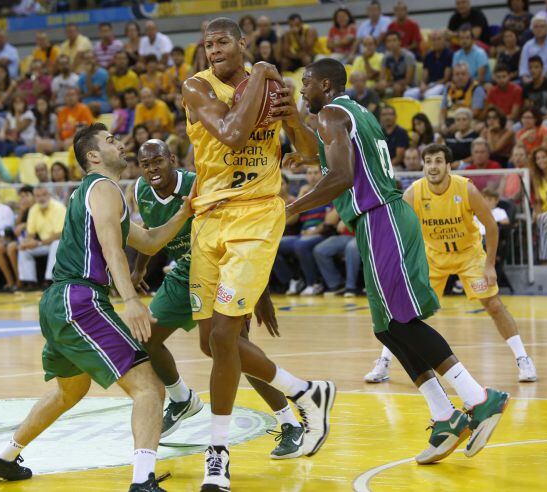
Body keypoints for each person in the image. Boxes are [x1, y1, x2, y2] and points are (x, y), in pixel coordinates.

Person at [289, 58, 510, 466]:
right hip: (376, 221)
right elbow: (323, 154)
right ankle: (445, 415)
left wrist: (292, 208)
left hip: (382, 218)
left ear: (324, 83)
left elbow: (339, 177)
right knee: (387, 328)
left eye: (304, 83)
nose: (302, 91)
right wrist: (296, 135)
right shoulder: (350, 114)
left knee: (403, 321)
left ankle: (480, 397)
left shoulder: (335, 113)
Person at [0, 123, 195, 490]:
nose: (121, 144)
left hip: (57, 302)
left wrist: (185, 211)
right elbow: (113, 248)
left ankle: (4, 456)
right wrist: (130, 300)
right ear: (93, 156)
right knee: (149, 388)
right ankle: (143, 481)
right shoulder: (104, 187)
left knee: (70, 391)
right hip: (80, 299)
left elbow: (147, 242)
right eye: (111, 140)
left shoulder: (97, 193)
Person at [181, 18, 333, 490]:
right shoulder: (195, 86)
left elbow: (309, 153)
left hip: (257, 214)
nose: (213, 51)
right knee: (210, 343)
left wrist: (291, 118)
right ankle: (305, 392)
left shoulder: (269, 85)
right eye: (208, 45)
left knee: (226, 335)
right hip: (208, 217)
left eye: (223, 42)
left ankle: (218, 453)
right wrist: (264, 74)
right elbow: (229, 132)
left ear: (242, 44)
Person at [130, 139, 306, 459]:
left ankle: (290, 421)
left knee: (228, 350)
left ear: (172, 159)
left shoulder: (198, 185)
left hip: (223, 267)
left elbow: (240, 235)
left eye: (158, 161)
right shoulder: (141, 190)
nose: (152, 169)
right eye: (146, 164)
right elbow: (148, 230)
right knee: (144, 337)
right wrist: (138, 269)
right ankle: (182, 398)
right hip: (184, 274)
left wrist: (261, 293)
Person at [364, 144, 537, 384]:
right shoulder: (414, 193)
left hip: (468, 255)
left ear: (448, 165)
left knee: (494, 304)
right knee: (405, 312)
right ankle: (384, 362)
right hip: (433, 258)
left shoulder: (466, 189)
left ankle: (523, 359)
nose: (432, 166)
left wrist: (489, 266)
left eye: (437, 161)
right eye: (428, 162)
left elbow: (492, 226)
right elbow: (398, 231)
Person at [272, 166, 331, 296]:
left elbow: (329, 221)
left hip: (321, 234)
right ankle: (294, 279)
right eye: (309, 173)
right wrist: (300, 195)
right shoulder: (304, 195)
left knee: (301, 245)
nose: (313, 176)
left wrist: (315, 231)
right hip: (302, 234)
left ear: (322, 175)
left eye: (316, 172)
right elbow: (295, 216)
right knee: (272, 246)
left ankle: (314, 283)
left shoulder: (329, 192)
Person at [14, 186, 64, 287]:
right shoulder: (34, 209)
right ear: (34, 197)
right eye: (38, 196)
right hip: (43, 243)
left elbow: (59, 235)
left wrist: (38, 243)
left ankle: (50, 279)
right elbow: (31, 233)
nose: (41, 198)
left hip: (62, 243)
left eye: (44, 195)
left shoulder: (58, 207)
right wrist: (27, 242)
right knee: (23, 248)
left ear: (49, 195)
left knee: (56, 243)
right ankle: (29, 282)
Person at [405, 30, 452, 100]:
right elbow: (424, 76)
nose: (436, 42)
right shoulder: (428, 56)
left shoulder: (449, 55)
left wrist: (429, 87)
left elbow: (446, 79)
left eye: (439, 39)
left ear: (444, 40)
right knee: (408, 94)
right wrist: (423, 85)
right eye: (433, 40)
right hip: (429, 85)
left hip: (442, 85)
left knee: (428, 95)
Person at [518, 15, 547, 83]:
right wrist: (527, 81)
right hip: (530, 81)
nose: (539, 29)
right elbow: (523, 68)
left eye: (542, 26)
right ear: (532, 30)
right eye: (536, 27)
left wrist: (539, 81)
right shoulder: (527, 45)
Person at [521, 56, 547, 131]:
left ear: (542, 68)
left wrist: (540, 119)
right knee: (515, 128)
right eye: (530, 68)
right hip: (532, 120)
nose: (533, 70)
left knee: (540, 126)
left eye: (536, 67)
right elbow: (527, 109)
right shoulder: (527, 87)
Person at [439, 62, 486, 126]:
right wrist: (442, 125)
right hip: (449, 120)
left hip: (468, 121)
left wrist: (457, 124)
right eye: (457, 74)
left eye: (463, 74)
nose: (460, 77)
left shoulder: (476, 88)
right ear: (453, 77)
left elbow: (475, 112)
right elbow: (442, 111)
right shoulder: (448, 88)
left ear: (468, 75)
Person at [377, 31, 416, 97]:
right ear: (386, 44)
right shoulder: (386, 57)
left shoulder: (408, 56)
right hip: (393, 84)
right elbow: (382, 77)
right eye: (389, 41)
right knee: (377, 87)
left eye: (394, 40)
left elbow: (408, 80)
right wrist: (383, 83)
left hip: (409, 86)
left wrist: (389, 84)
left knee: (397, 88)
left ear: (400, 42)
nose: (392, 43)